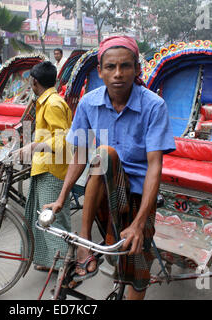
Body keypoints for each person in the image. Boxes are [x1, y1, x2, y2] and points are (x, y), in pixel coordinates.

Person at [44, 36, 176, 299]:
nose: (118, 74)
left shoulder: (153, 105)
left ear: (137, 70)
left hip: (138, 191)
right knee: (102, 155)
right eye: (111, 67)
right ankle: (85, 244)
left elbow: (154, 167)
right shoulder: (89, 103)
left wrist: (139, 224)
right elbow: (79, 155)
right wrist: (61, 198)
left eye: (125, 66)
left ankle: (122, 258)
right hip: (104, 186)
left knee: (136, 273)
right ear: (100, 71)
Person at [15, 61, 72, 271]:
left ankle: (68, 269)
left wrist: (33, 146)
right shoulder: (45, 101)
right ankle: (52, 262)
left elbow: (62, 140)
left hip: (52, 170)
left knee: (53, 222)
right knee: (43, 219)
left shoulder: (53, 103)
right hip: (43, 167)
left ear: (34, 81)